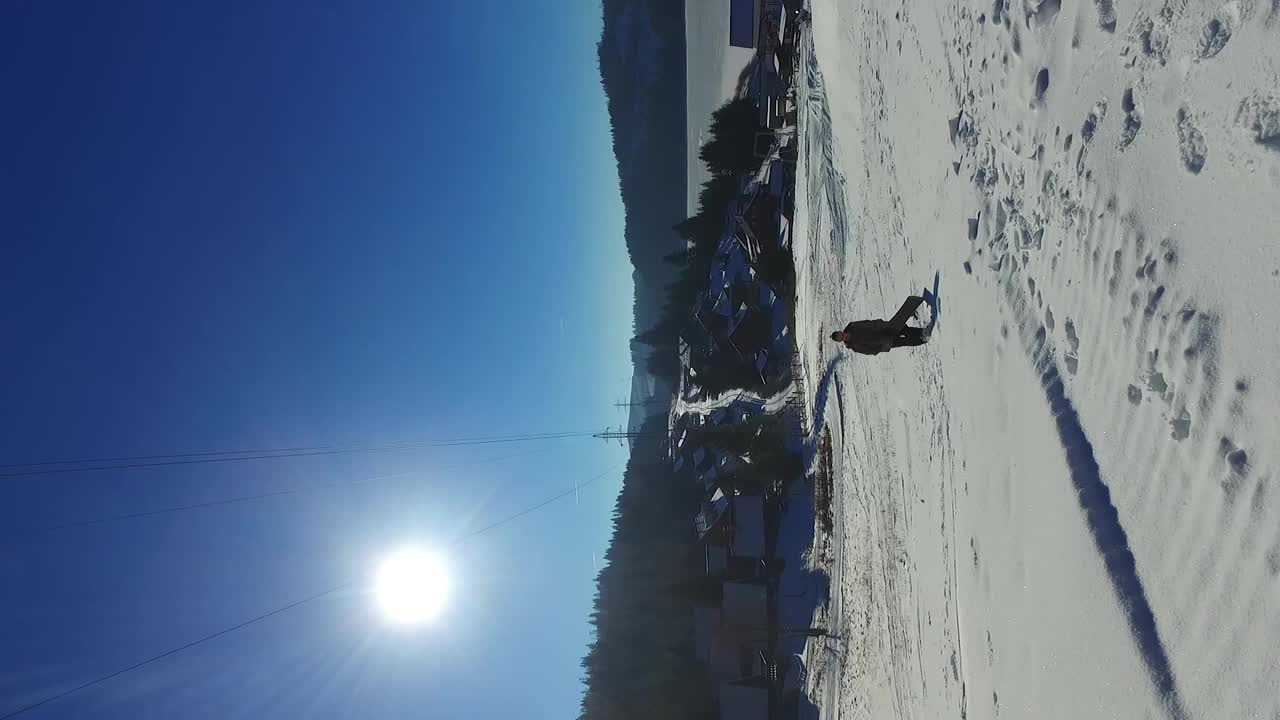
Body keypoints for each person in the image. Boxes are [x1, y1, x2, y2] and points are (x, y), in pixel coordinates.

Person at [830, 318, 928, 355]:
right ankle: (923, 340)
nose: (844, 337)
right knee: (906, 341)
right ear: (840, 341)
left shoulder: (853, 326)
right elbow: (869, 351)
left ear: (840, 331)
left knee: (905, 329)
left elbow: (868, 323)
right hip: (885, 342)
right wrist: (882, 347)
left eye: (841, 335)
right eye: (841, 339)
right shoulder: (854, 346)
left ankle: (924, 331)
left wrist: (883, 324)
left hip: (884, 329)